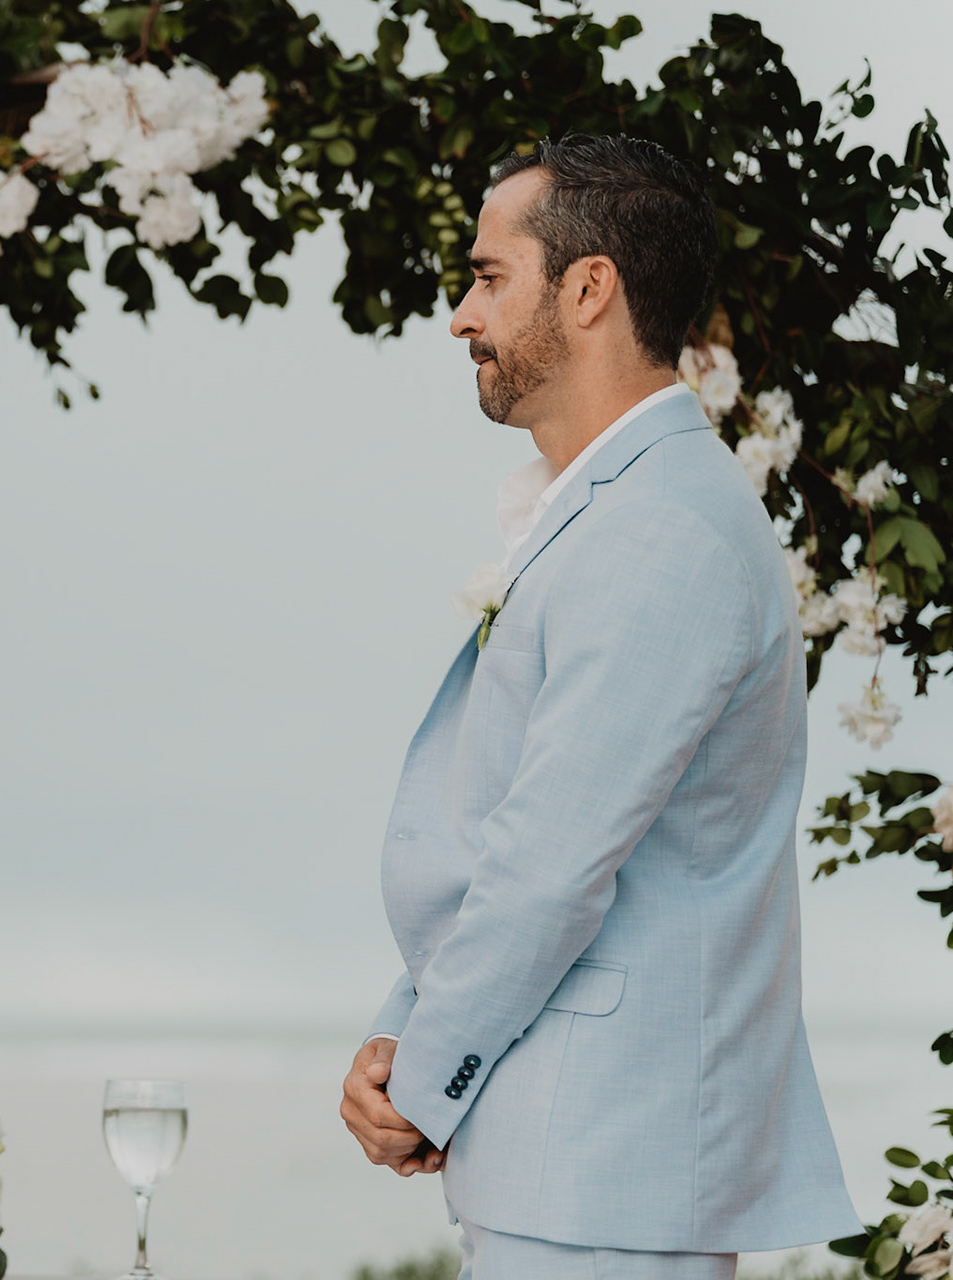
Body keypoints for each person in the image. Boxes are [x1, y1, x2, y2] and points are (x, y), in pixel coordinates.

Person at [338, 135, 860, 1277]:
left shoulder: (664, 528)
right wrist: (403, 1029)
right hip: (571, 1171)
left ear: (587, 288)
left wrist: (422, 1082)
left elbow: (551, 863)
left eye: (488, 276)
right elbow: (510, 830)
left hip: (609, 1180)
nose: (462, 317)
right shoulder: (620, 511)